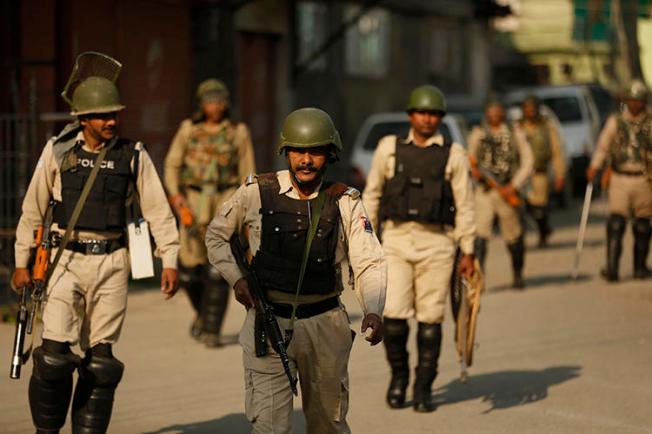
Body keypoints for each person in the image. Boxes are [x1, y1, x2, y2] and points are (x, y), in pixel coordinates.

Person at [10, 56, 179, 434]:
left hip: (113, 261)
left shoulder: (133, 155)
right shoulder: (57, 151)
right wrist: (21, 262)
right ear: (83, 118)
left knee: (102, 361)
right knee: (53, 357)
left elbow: (158, 210)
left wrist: (169, 259)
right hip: (63, 260)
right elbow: (32, 208)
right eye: (102, 115)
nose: (111, 122)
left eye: (114, 114)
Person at [205, 107, 386, 434]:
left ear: (329, 155)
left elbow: (369, 260)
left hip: (325, 325)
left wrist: (373, 310)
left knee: (326, 424)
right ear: (286, 152)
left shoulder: (345, 201)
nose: (305, 160)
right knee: (269, 427)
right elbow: (216, 235)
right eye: (298, 151)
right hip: (267, 321)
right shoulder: (256, 191)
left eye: (315, 151)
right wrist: (237, 278)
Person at [362, 84, 476, 412]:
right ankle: (398, 378)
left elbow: (465, 204)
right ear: (411, 115)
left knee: (431, 318)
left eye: (433, 114)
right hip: (396, 239)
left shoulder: (454, 154)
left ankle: (424, 385)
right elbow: (372, 194)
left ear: (439, 118)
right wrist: (365, 238)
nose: (427, 119)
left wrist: (467, 250)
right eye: (421, 113)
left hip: (438, 242)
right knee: (395, 316)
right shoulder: (389, 148)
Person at [164, 78, 255, 347]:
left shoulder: (238, 132)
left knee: (218, 269)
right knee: (189, 272)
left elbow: (247, 174)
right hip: (192, 203)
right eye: (209, 101)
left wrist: (245, 211)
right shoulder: (188, 130)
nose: (214, 106)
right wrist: (177, 198)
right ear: (201, 104)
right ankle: (203, 315)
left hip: (225, 201)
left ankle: (212, 329)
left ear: (226, 104)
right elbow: (172, 165)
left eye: (219, 101)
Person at [587, 79, 652, 281]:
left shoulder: (650, 123)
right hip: (620, 177)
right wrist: (595, 166)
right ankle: (612, 267)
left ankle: (640, 266)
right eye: (631, 100)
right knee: (616, 222)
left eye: (638, 100)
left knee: (643, 224)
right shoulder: (616, 121)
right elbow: (603, 145)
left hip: (644, 178)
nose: (634, 104)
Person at [467, 99, 534, 288]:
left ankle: (517, 275)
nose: (494, 114)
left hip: (507, 189)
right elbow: (469, 158)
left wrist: (514, 185)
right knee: (480, 235)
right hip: (484, 191)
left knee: (513, 235)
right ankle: (479, 279)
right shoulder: (478, 133)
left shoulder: (514, 133)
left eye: (498, 110)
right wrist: (475, 172)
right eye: (491, 110)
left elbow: (528, 160)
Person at [519, 94, 566, 247]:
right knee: (524, 207)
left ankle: (543, 232)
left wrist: (560, 174)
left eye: (532, 108)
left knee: (539, 208)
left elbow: (557, 151)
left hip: (540, 173)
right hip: (521, 175)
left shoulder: (547, 127)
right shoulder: (517, 128)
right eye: (527, 109)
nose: (530, 112)